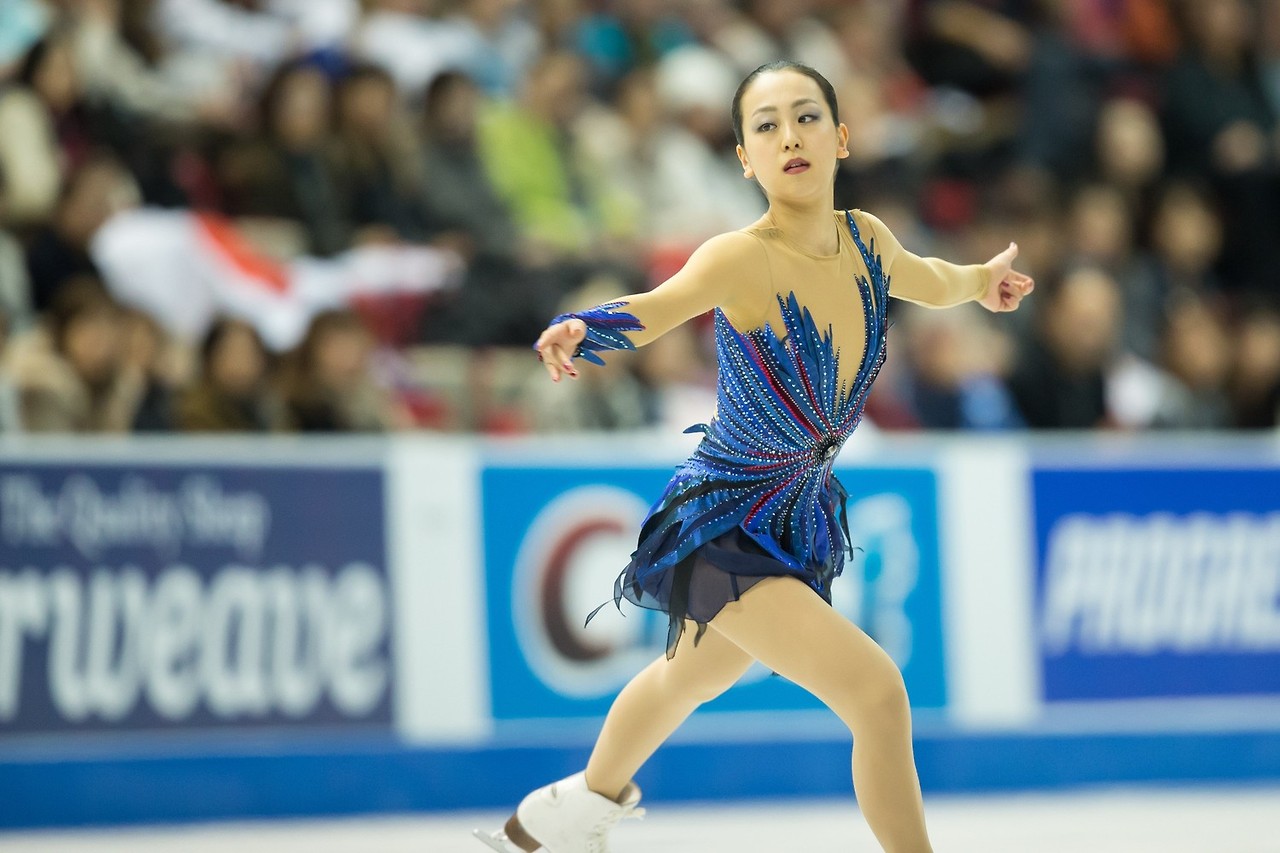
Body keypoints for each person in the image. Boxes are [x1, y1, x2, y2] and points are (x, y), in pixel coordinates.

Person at [475, 60, 1033, 853]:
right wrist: (584, 326)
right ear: (744, 157)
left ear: (841, 137)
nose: (789, 136)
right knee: (877, 693)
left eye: (806, 117)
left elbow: (928, 278)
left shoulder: (867, 240)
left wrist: (980, 282)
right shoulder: (740, 257)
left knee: (687, 678)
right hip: (725, 524)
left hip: (791, 519)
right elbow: (657, 306)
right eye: (765, 126)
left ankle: (554, 820)